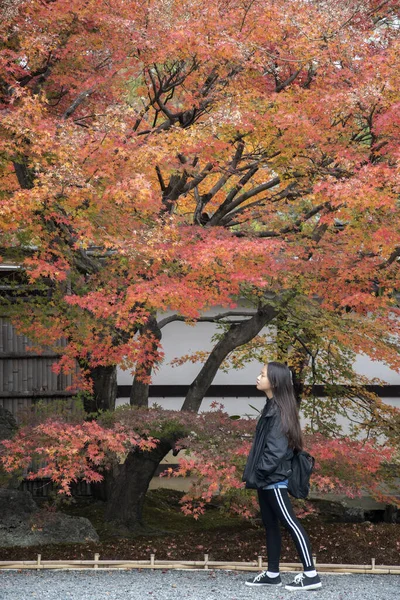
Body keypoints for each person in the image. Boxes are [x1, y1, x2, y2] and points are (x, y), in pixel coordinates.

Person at [242, 361, 322, 591]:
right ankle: (272, 573)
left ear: (274, 381)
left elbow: (276, 451)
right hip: (266, 478)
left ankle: (311, 574)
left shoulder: (279, 410)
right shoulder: (273, 406)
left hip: (274, 478)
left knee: (291, 523)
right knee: (270, 525)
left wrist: (259, 472)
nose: (258, 377)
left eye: (263, 374)